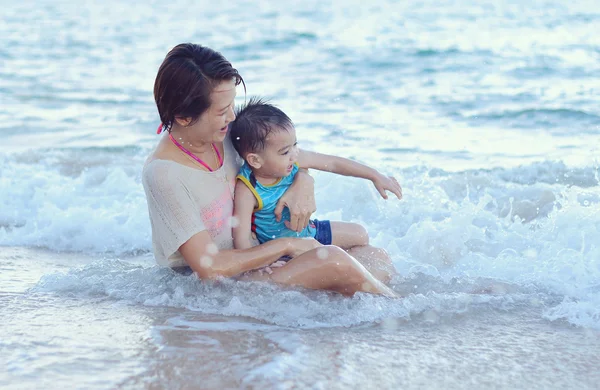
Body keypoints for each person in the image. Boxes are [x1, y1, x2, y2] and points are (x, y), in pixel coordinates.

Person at [142, 42, 397, 297]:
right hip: (218, 287)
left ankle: (338, 316)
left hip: (264, 260)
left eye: (232, 104)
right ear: (184, 117)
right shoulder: (165, 174)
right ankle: (399, 311)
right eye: (222, 111)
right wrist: (286, 245)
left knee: (375, 256)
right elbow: (209, 268)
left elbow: (285, 156)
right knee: (333, 260)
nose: (232, 117)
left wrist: (303, 183)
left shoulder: (225, 135)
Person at [229, 99, 403, 275]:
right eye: (284, 152)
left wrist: (375, 175)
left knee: (360, 234)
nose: (293, 154)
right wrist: (260, 264)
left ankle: (342, 260)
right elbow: (241, 237)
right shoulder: (248, 189)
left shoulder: (295, 159)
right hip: (285, 252)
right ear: (255, 160)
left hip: (310, 231)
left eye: (295, 145)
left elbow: (333, 163)